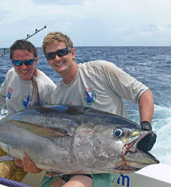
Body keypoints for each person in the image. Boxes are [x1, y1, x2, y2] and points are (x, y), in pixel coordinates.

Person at [15, 32, 157, 187]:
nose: (57, 58)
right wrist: (36, 166)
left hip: (101, 165)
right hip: (66, 165)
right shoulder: (57, 97)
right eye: (51, 56)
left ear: (73, 53)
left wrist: (145, 125)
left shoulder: (101, 70)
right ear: (47, 61)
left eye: (61, 52)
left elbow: (143, 94)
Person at [0, 39, 56, 182]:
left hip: (25, 146)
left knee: (1, 181)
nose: (23, 67)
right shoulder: (11, 74)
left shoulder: (47, 88)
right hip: (3, 132)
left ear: (36, 59)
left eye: (28, 62)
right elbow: (0, 97)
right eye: (17, 63)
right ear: (12, 62)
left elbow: (50, 129)